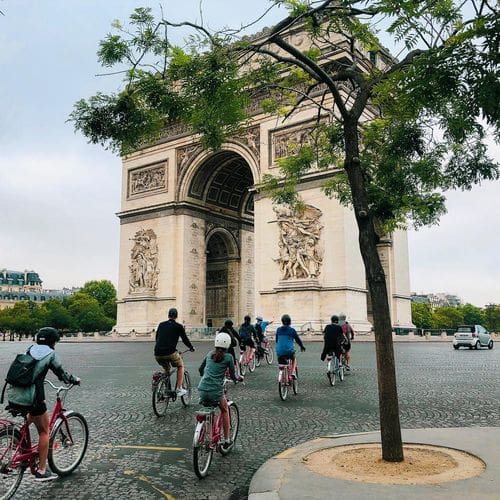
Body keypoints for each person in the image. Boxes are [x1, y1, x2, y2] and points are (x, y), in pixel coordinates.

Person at [6, 327, 80, 482]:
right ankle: (41, 470)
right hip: (33, 397)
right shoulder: (50, 354)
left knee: (33, 413)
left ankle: (16, 439)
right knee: (44, 431)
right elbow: (62, 374)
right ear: (53, 341)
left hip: (15, 393)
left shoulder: (30, 348)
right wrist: (74, 379)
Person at [198, 332, 243, 450]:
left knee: (208, 408)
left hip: (202, 389)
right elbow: (233, 376)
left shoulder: (209, 354)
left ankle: (206, 431)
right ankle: (227, 440)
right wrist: (238, 378)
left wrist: (205, 375)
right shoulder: (228, 357)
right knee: (224, 410)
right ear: (228, 345)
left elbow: (200, 369)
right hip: (216, 391)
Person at [154, 308, 195, 397]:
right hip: (170, 353)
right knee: (180, 366)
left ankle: (165, 387)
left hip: (157, 353)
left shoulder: (161, 325)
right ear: (176, 316)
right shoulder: (178, 326)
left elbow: (157, 338)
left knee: (166, 368)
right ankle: (179, 388)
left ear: (168, 315)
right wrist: (191, 347)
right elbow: (185, 339)